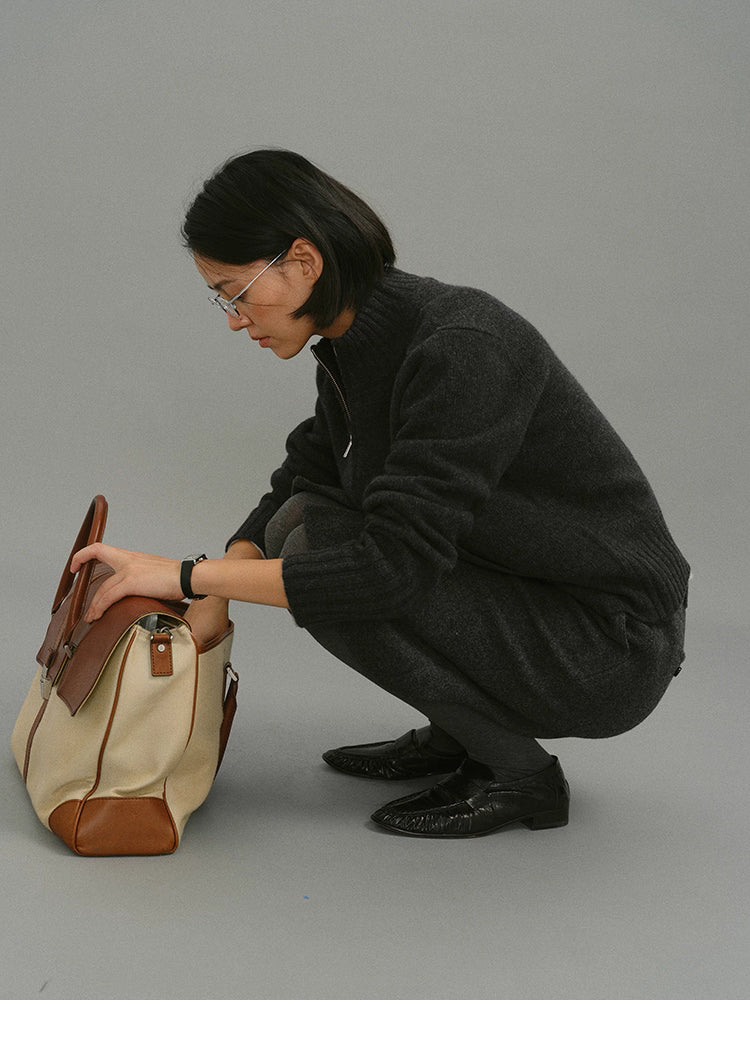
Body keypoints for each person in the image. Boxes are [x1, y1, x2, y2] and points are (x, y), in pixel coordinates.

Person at [72, 149, 690, 838]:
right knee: (304, 518)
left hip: (608, 648)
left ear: (303, 262)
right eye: (220, 299)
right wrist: (214, 596)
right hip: (532, 599)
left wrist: (183, 574)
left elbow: (388, 571)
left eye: (238, 293)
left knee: (327, 549)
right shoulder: (352, 347)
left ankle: (519, 775)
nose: (233, 320)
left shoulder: (465, 347)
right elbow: (301, 480)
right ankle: (457, 731)